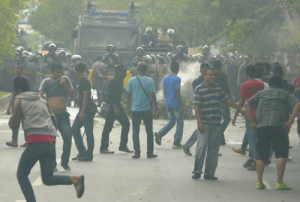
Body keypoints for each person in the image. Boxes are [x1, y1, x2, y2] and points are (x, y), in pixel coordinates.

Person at [9, 76, 84, 202]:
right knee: (48, 179)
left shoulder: (20, 100)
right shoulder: (41, 99)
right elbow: (53, 119)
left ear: (19, 89)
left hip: (36, 142)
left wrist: (15, 114)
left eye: (14, 89)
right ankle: (74, 179)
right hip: (50, 140)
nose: (13, 91)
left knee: (21, 175)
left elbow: (13, 124)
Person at [245, 75, 297, 190]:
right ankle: (279, 182)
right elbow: (297, 104)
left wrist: (252, 122)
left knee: (261, 154)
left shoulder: (261, 93)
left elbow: (247, 103)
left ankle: (259, 182)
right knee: (281, 153)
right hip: (279, 126)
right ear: (280, 84)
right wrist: (290, 121)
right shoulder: (284, 94)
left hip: (262, 126)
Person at [192, 67, 245, 180]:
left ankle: (209, 173)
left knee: (214, 149)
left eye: (213, 75)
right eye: (210, 75)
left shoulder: (217, 88)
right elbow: (197, 107)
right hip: (205, 123)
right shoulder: (199, 89)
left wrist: (239, 109)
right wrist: (199, 122)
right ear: (205, 76)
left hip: (216, 123)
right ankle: (197, 171)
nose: (212, 77)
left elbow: (227, 100)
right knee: (201, 147)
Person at [39, 63, 74, 171]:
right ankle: (52, 164)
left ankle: (64, 162)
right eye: (56, 72)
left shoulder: (65, 80)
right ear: (52, 72)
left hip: (63, 114)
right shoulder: (46, 82)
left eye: (60, 72)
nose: (59, 74)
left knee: (68, 137)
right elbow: (40, 95)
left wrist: (64, 85)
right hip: (51, 115)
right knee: (51, 140)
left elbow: (72, 93)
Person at [232, 65, 264, 171]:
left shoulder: (245, 85)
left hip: (249, 114)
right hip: (259, 113)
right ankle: (251, 158)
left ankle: (256, 161)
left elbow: (241, 101)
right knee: (255, 136)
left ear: (246, 74)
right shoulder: (261, 84)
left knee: (252, 138)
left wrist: (236, 115)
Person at [126, 62, 159, 159]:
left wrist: (128, 107)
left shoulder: (131, 80)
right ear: (146, 70)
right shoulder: (150, 81)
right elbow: (153, 97)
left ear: (137, 70)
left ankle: (137, 152)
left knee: (135, 132)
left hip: (135, 109)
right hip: (147, 110)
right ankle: (150, 153)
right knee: (149, 131)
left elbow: (128, 96)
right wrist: (156, 109)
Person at [100, 65, 133, 154]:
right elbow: (111, 96)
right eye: (123, 72)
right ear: (118, 73)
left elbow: (121, 92)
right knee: (108, 127)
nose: (125, 74)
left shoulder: (119, 81)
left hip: (117, 105)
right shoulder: (113, 82)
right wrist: (115, 108)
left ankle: (122, 145)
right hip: (112, 106)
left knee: (125, 123)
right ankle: (103, 147)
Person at [154, 61, 184, 149]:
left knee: (171, 121)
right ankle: (176, 142)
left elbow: (164, 91)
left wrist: (166, 99)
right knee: (180, 122)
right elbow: (177, 92)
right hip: (175, 103)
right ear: (178, 69)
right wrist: (181, 104)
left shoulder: (166, 78)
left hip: (168, 103)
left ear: (171, 68)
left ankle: (160, 134)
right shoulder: (177, 79)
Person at [182, 63, 209, 156]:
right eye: (204, 69)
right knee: (202, 127)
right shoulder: (197, 82)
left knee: (207, 128)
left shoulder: (209, 80)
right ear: (201, 69)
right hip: (201, 107)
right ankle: (187, 145)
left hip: (208, 106)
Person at [72, 62, 96, 161]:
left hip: (86, 110)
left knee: (88, 132)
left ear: (77, 71)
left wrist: (82, 110)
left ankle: (89, 155)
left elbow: (86, 96)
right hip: (83, 109)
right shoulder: (80, 81)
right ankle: (82, 151)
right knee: (74, 129)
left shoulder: (84, 82)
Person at [6, 63, 28, 147]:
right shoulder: (14, 79)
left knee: (25, 122)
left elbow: (16, 92)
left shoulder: (25, 80)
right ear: (14, 70)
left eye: (19, 69)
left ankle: (27, 140)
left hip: (23, 102)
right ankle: (14, 140)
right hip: (16, 103)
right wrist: (9, 107)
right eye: (16, 69)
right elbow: (13, 93)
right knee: (15, 121)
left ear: (22, 70)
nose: (17, 70)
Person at [213, 60, 231, 145]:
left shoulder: (212, 76)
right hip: (222, 99)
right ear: (220, 67)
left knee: (218, 119)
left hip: (214, 99)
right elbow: (226, 88)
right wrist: (230, 99)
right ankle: (219, 133)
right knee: (227, 118)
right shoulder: (223, 75)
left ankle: (221, 140)